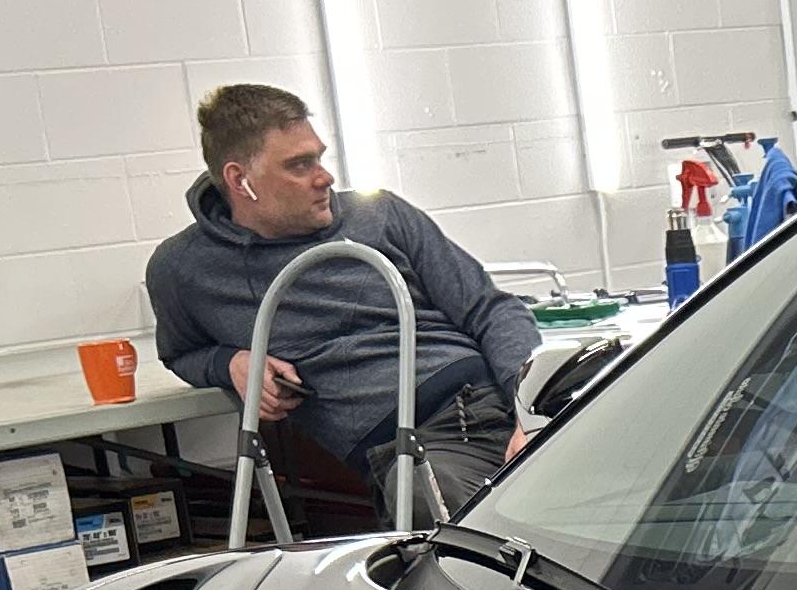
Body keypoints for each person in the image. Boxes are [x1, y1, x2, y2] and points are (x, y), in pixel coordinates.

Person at [144, 84, 542, 510]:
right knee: (451, 513)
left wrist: (533, 409)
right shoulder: (183, 268)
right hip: (423, 446)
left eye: (319, 157)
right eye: (299, 165)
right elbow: (180, 353)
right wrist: (230, 363)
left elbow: (491, 309)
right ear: (241, 180)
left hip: (500, 400)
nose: (324, 177)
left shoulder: (379, 214)